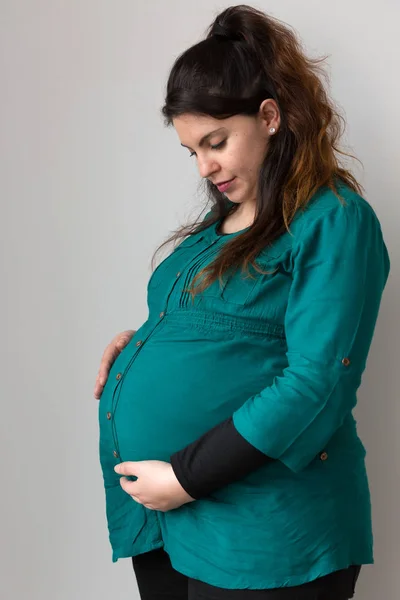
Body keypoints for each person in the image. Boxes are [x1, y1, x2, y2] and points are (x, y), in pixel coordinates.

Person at [94, 5, 390, 599]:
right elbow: (230, 330)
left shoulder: (333, 218)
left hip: (263, 528)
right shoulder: (218, 224)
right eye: (191, 151)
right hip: (166, 519)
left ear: (270, 116)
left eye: (216, 142)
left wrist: (185, 476)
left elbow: (316, 383)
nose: (206, 166)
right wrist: (145, 342)